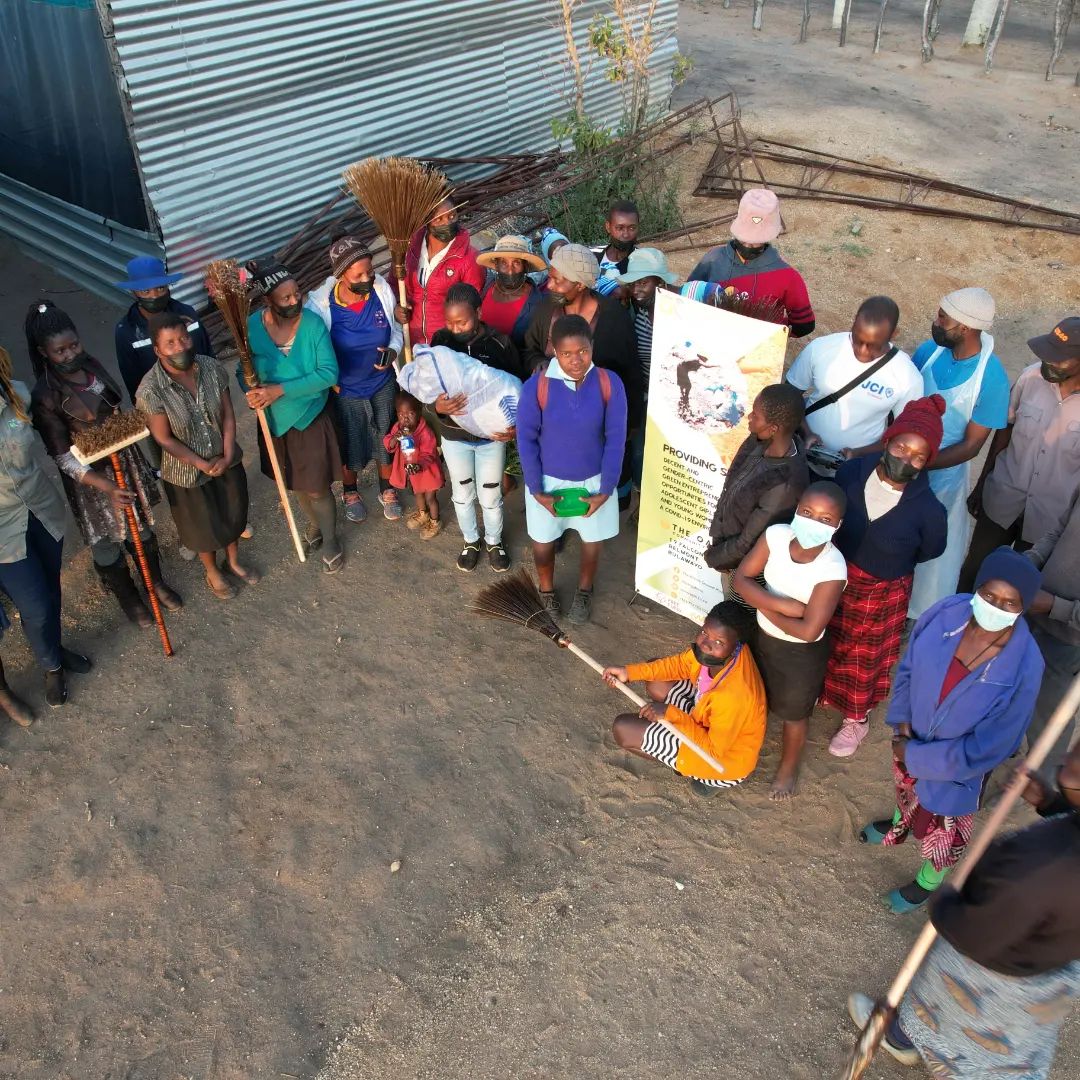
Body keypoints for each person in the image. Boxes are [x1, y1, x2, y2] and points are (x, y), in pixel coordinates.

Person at [848, 743, 1080, 1075]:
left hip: (993, 969)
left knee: (958, 1015)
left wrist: (944, 903)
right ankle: (906, 1035)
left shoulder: (1046, 868)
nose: (1071, 754)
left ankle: (903, 1037)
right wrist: (1049, 803)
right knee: (1017, 1034)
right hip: (1048, 964)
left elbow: (976, 934)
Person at [861, 547, 1045, 913]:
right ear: (976, 588)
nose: (996, 606)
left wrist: (915, 755)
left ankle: (926, 884)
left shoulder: (1026, 664)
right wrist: (902, 725)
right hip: (909, 736)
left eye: (1010, 603)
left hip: (958, 770)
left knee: (945, 829)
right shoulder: (947, 614)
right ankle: (898, 825)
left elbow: (991, 745)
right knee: (906, 790)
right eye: (989, 595)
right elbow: (909, 667)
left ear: (1023, 608)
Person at [27, 300, 181, 629]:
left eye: (74, 345)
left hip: (124, 462)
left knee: (140, 527)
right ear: (44, 352)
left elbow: (114, 407)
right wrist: (107, 486)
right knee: (106, 541)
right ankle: (129, 598)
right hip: (90, 482)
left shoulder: (92, 366)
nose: (70, 355)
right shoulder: (45, 396)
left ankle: (155, 583)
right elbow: (63, 457)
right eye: (60, 351)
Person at [821, 396, 948, 758]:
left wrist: (889, 557)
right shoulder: (851, 473)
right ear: (888, 441)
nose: (906, 458)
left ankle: (855, 718)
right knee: (827, 636)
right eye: (901, 446)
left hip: (883, 587)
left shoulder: (929, 510)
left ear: (926, 464)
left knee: (865, 655)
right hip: (834, 573)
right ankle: (825, 691)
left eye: (918, 457)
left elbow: (931, 550)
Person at [733, 483, 848, 801]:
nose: (814, 522)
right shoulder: (777, 535)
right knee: (756, 691)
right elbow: (741, 579)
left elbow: (809, 631)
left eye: (826, 519)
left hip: (801, 654)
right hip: (763, 636)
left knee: (794, 713)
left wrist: (764, 606)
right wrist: (784, 607)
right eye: (808, 512)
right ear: (797, 508)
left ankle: (789, 766)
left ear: (838, 526)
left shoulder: (833, 567)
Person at [136, 314, 256, 601]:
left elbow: (228, 413)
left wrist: (227, 454)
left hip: (225, 458)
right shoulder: (150, 390)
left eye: (183, 338)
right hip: (186, 473)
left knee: (233, 513)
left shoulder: (211, 367)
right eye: (170, 344)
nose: (179, 347)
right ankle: (212, 571)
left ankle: (234, 562)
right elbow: (163, 438)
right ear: (157, 350)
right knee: (203, 527)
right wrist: (202, 464)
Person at [517, 315, 627, 624]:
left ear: (592, 346)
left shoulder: (609, 383)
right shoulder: (536, 387)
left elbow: (616, 438)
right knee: (543, 542)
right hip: (547, 482)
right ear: (553, 349)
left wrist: (606, 489)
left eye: (583, 351)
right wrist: (536, 489)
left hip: (594, 480)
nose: (576, 360)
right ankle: (547, 591)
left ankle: (584, 590)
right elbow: (525, 439)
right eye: (567, 354)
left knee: (592, 542)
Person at [908, 288, 1010, 619]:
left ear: (964, 327)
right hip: (900, 462)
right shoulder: (929, 352)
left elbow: (972, 445)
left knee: (932, 555)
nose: (935, 323)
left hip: (943, 477)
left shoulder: (992, 378)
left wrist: (920, 463)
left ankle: (917, 615)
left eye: (943, 318)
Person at [0, 345, 91, 717]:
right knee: (35, 605)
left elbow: (57, 439)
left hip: (41, 511)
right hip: (3, 534)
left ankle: (55, 650)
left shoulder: (17, 394)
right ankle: (52, 666)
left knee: (50, 590)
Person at [961, 316, 1080, 590]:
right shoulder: (1031, 377)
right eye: (1047, 354)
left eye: (1060, 359)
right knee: (974, 574)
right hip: (1003, 499)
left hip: (1050, 521)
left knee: (1020, 590)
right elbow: (1005, 431)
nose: (1048, 362)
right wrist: (982, 486)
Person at [602, 601, 767, 796]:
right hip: (706, 718)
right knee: (655, 678)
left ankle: (709, 779)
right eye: (705, 632)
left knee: (623, 729)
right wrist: (628, 672)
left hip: (721, 761)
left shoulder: (736, 696)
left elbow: (713, 751)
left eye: (718, 642)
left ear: (736, 645)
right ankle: (678, 749)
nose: (705, 644)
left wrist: (670, 714)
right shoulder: (724, 655)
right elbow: (681, 664)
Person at [522, 244, 640, 508]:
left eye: (557, 280)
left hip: (596, 432)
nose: (550, 285)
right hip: (553, 433)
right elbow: (528, 350)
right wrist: (540, 362)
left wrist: (628, 427)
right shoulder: (546, 311)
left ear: (579, 284)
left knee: (596, 491)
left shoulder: (613, 320)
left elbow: (629, 375)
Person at [245, 260, 343, 573]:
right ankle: (315, 525)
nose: (294, 301)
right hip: (274, 419)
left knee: (316, 485)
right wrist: (249, 388)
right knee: (294, 481)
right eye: (285, 298)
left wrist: (279, 390)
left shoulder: (312, 325)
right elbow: (242, 369)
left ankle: (331, 539)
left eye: (296, 294)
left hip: (308, 415)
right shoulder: (251, 326)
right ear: (267, 302)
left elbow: (328, 373)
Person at [306, 235, 403, 523]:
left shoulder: (381, 290)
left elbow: (396, 328)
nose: (367, 278)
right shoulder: (321, 306)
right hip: (346, 389)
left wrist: (394, 351)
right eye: (358, 274)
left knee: (385, 438)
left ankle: (387, 488)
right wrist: (330, 381)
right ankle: (350, 491)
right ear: (341, 275)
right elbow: (313, 350)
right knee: (351, 441)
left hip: (381, 383)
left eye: (369, 271)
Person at [429, 283, 521, 572]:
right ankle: (471, 540)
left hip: (490, 438)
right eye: (449, 321)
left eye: (463, 321)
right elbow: (429, 386)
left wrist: (514, 426)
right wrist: (436, 407)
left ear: (479, 312)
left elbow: (517, 389)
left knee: (491, 494)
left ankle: (494, 540)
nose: (455, 328)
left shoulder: (500, 344)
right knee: (462, 491)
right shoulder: (440, 341)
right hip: (454, 436)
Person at [785, 296, 923, 479]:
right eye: (858, 340)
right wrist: (806, 433)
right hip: (800, 457)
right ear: (855, 320)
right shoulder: (821, 348)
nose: (863, 351)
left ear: (894, 334)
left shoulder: (907, 376)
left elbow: (905, 436)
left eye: (874, 345)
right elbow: (788, 396)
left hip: (857, 471)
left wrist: (860, 453)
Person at [703, 383, 809, 595]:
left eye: (756, 415)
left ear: (774, 428)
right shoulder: (759, 440)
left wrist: (715, 557)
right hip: (727, 548)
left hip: (743, 564)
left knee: (736, 606)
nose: (749, 417)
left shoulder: (783, 484)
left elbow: (747, 542)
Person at [686, 189, 815, 337]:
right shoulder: (712, 258)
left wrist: (774, 332)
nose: (747, 245)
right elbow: (689, 296)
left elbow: (804, 325)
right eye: (744, 237)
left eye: (755, 241)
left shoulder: (787, 276)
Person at [1024, 486, 1080, 775]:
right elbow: (1059, 532)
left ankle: (1044, 790)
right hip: (1031, 614)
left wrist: (1054, 606)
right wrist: (1026, 564)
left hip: (1068, 641)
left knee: (1048, 725)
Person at [113, 255, 214, 405]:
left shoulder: (188, 314)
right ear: (133, 292)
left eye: (160, 288)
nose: (154, 296)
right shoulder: (127, 332)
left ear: (168, 287)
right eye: (145, 291)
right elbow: (132, 379)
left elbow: (208, 355)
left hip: (201, 392)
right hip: (163, 405)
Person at [390, 198, 485, 347]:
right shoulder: (408, 249)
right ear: (426, 220)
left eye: (452, 216)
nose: (447, 223)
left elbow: (472, 309)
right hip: (410, 339)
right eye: (439, 219)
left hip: (446, 344)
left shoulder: (470, 258)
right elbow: (394, 284)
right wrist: (397, 306)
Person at [382, 391, 442, 540]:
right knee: (418, 494)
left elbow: (429, 454)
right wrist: (395, 439)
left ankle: (435, 522)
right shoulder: (398, 428)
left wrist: (419, 465)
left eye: (410, 414)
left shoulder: (425, 432)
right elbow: (388, 443)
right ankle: (423, 514)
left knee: (430, 498)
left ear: (419, 412)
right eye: (401, 415)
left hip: (428, 472)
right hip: (414, 472)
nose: (405, 418)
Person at [475, 234, 546, 349]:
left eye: (516, 263)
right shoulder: (487, 286)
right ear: (496, 265)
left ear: (525, 266)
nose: (510, 270)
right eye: (504, 263)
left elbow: (533, 349)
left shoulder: (537, 304)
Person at [591, 199, 639, 286]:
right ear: (608, 227)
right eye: (620, 228)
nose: (626, 234)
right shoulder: (592, 255)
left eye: (632, 228)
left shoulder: (643, 262)